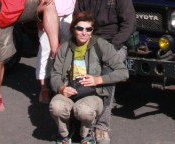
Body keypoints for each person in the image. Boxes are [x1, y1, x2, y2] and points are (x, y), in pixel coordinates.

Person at [75, 0, 136, 144]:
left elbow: (129, 23)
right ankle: (82, 119)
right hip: (89, 43)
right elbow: (78, 20)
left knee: (106, 78)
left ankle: (102, 126)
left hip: (113, 43)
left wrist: (113, 46)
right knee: (77, 75)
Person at [49, 12, 129, 144]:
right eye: (79, 28)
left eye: (88, 29)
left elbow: (123, 72)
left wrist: (99, 80)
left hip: (92, 93)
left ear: (92, 31)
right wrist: (61, 88)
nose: (84, 32)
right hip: (70, 89)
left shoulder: (101, 45)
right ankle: (65, 133)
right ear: (73, 29)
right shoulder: (65, 48)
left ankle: (86, 133)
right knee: (56, 106)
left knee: (84, 111)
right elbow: (55, 74)